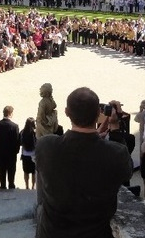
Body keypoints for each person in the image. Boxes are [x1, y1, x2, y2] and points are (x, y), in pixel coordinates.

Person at [35, 87, 132, 237]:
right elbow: (126, 172)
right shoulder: (115, 153)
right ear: (97, 114)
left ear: (67, 112)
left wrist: (93, 139)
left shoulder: (45, 145)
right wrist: (115, 127)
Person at [0, 105, 20, 189]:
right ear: (10, 113)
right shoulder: (14, 126)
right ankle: (11, 184)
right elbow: (17, 140)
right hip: (11, 152)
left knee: (1, 169)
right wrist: (16, 150)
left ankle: (3, 185)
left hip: (0, 151)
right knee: (11, 169)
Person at [19, 117, 37, 190]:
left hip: (25, 154)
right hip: (34, 155)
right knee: (33, 172)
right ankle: (33, 186)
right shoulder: (36, 132)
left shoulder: (23, 132)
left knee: (26, 172)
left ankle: (27, 186)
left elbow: (20, 142)